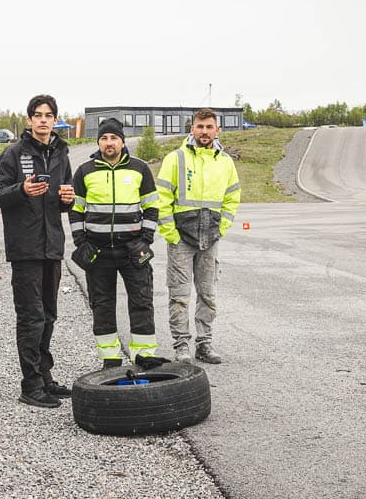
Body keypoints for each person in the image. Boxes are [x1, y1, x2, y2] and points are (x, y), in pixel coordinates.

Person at [0, 94, 74, 408]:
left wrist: (69, 199)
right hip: (25, 248)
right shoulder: (13, 153)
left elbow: (63, 200)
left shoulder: (62, 153)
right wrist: (21, 190)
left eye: (48, 115)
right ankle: (30, 384)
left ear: (54, 119)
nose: (42, 120)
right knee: (31, 318)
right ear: (28, 120)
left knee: (49, 316)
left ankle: (45, 377)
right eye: (37, 115)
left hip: (53, 246)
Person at [69, 117, 162, 368]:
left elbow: (152, 207)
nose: (109, 143)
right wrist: (80, 241)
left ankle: (144, 354)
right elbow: (76, 209)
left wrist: (145, 239)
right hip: (97, 252)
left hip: (133, 250)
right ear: (98, 142)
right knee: (102, 305)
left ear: (122, 141)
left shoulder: (140, 169)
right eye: (104, 138)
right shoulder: (84, 171)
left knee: (141, 302)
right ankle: (109, 358)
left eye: (113, 138)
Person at [156, 108, 241, 364]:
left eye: (209, 127)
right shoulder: (176, 158)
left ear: (217, 130)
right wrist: (170, 233)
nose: (204, 132)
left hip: (210, 238)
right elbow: (162, 197)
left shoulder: (225, 162)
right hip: (181, 238)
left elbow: (232, 196)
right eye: (200, 127)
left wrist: (222, 227)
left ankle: (204, 344)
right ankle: (181, 346)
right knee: (179, 296)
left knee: (208, 295)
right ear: (192, 129)